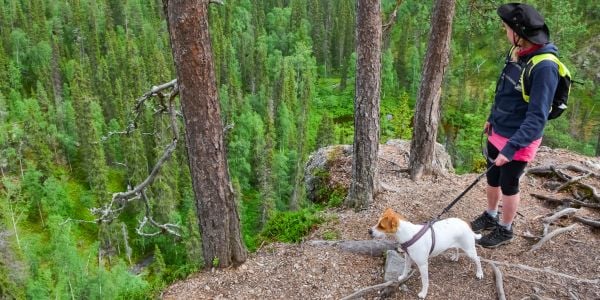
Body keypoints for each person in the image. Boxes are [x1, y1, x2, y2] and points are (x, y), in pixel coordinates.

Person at [470, 3, 560, 248]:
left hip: (518, 140)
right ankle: (490, 214)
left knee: (509, 184)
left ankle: (506, 229)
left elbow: (537, 117)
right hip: (500, 128)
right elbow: (505, 90)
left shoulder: (545, 67)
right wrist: (492, 117)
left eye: (507, 27)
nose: (504, 31)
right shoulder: (519, 52)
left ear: (519, 32)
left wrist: (510, 149)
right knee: (492, 177)